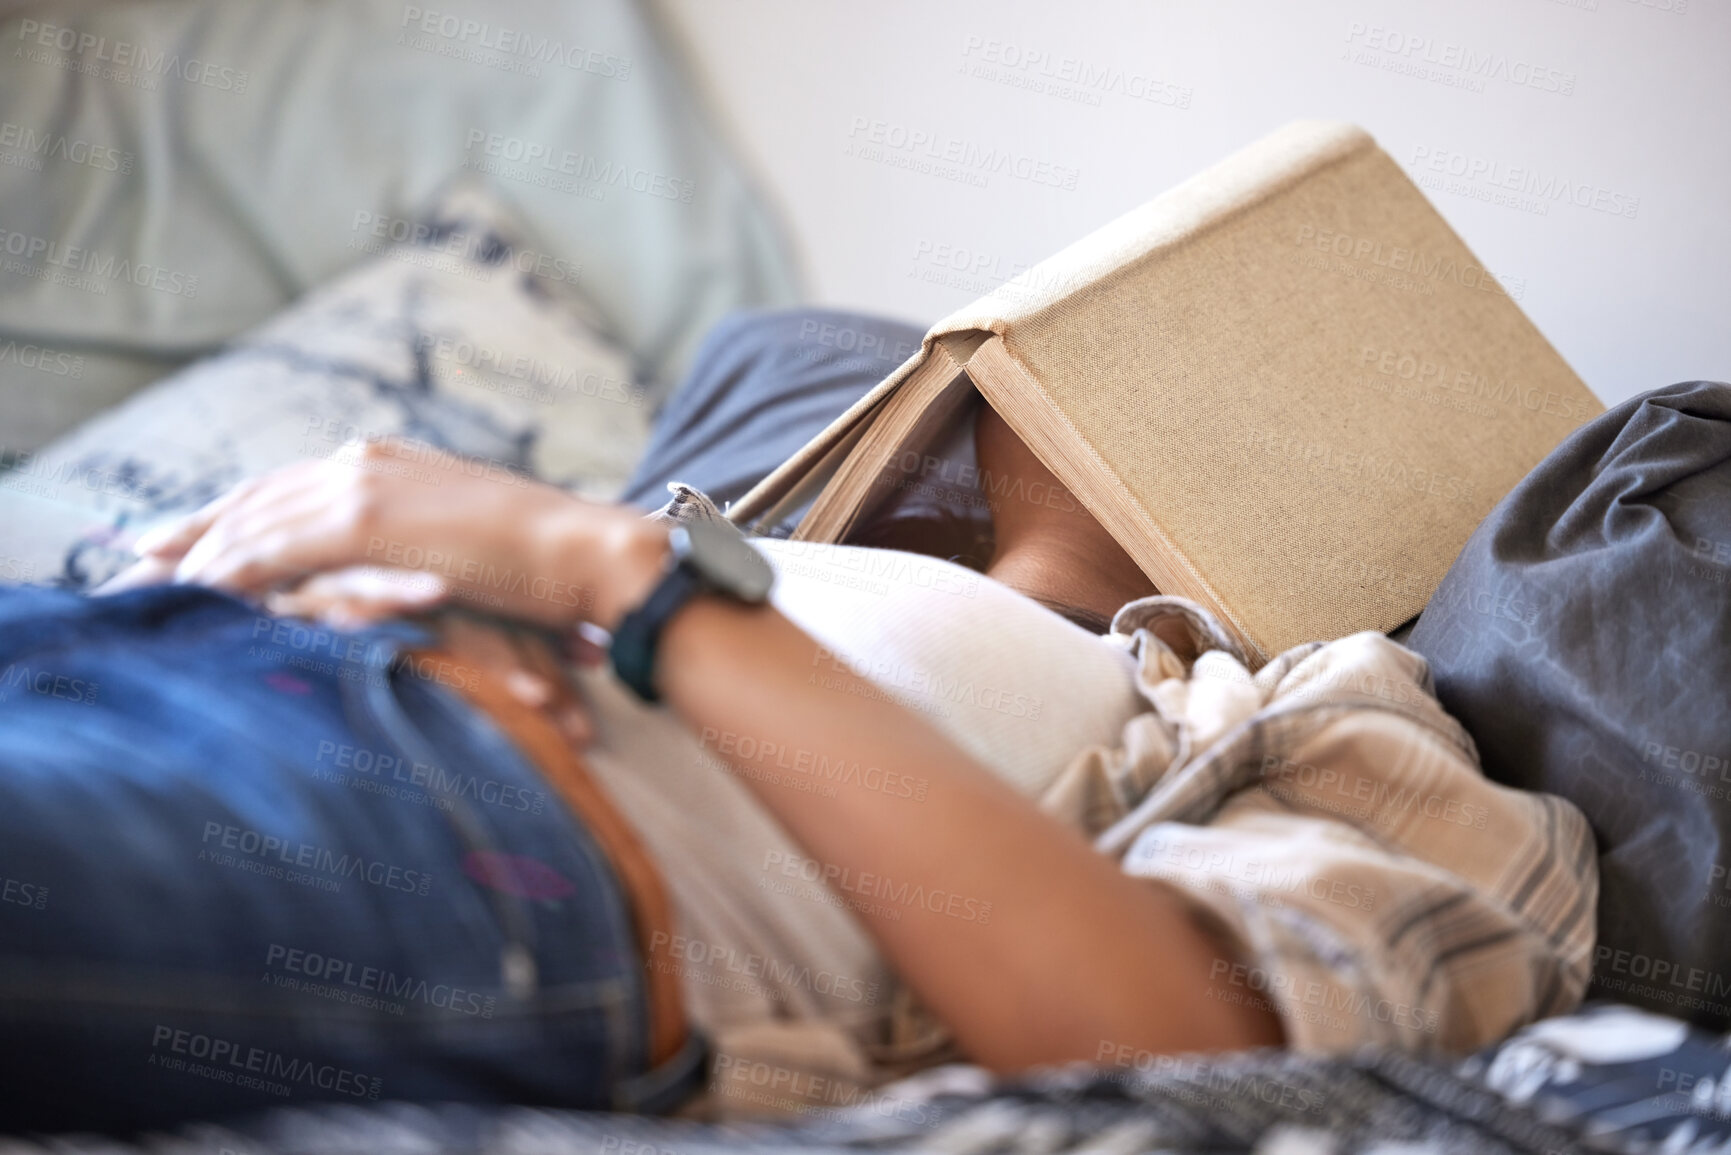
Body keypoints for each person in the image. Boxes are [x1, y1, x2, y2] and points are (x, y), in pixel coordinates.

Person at [0, 312, 1592, 1134]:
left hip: (463, 822)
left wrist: (616, 569)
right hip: (154, 637)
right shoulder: (787, 535)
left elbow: (1165, 1043)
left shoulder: (1342, 728)